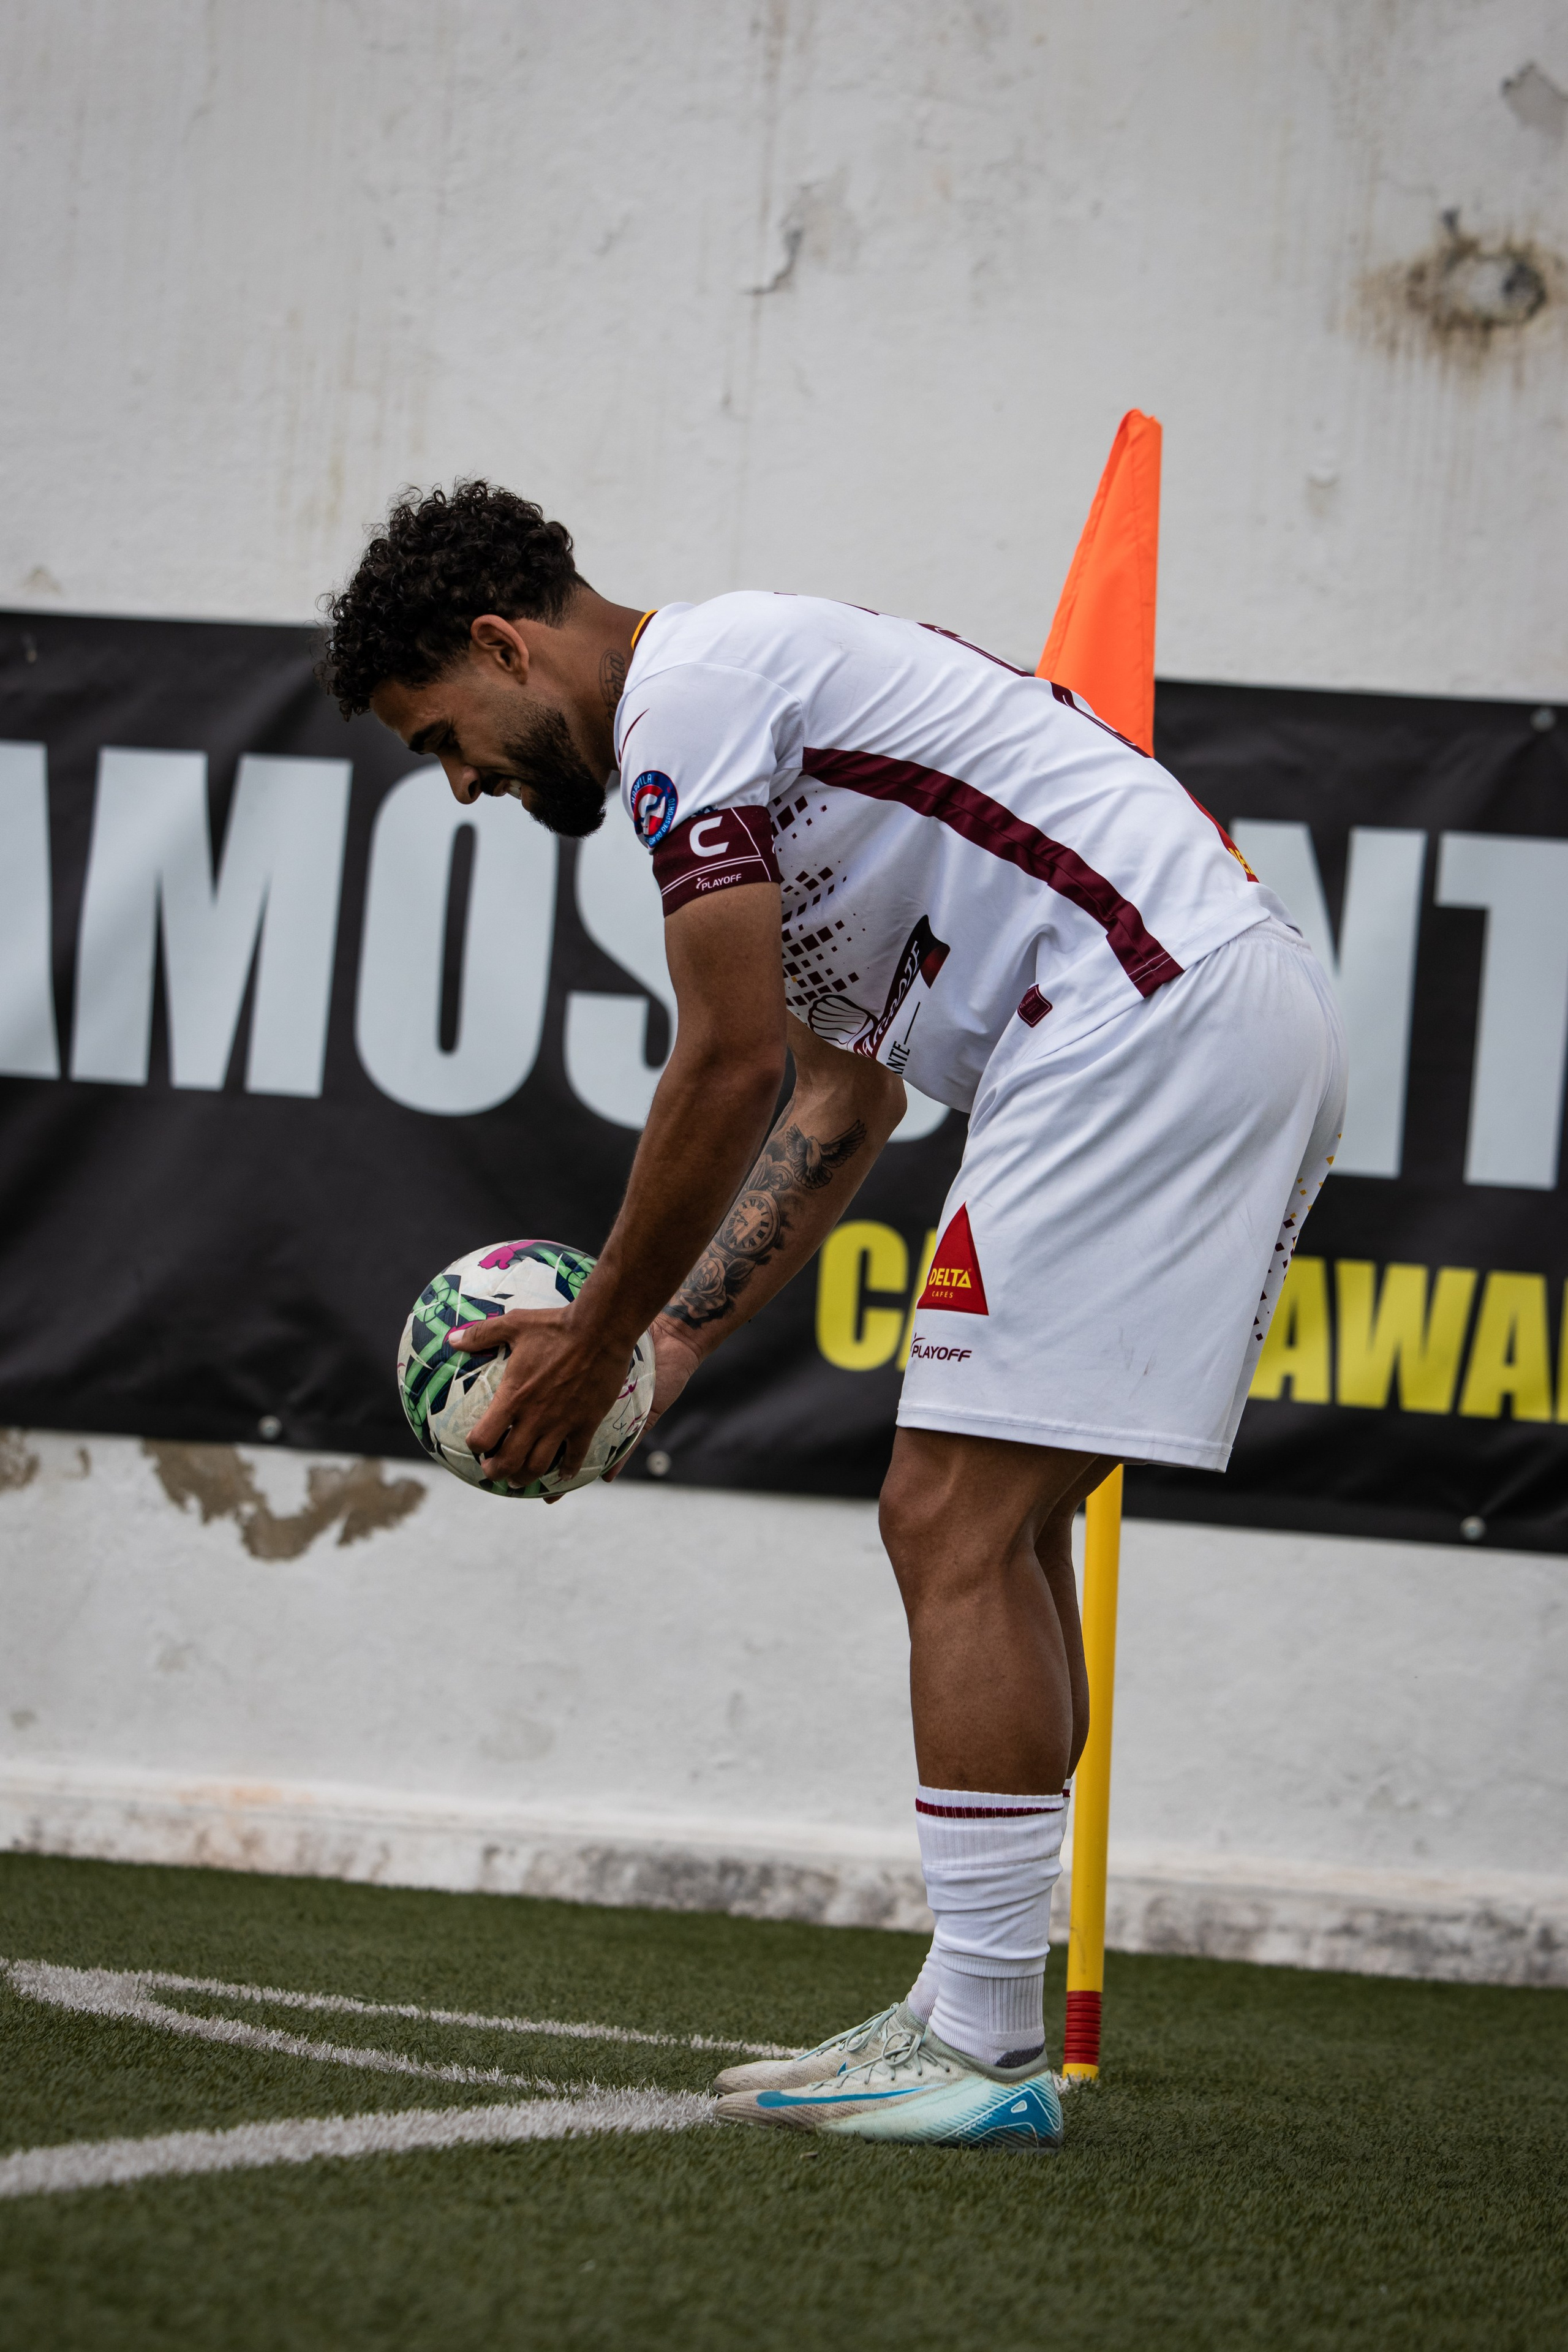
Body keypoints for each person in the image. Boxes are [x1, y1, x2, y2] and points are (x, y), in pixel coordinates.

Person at [322, 481, 1345, 2152]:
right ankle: (971, 2004)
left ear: (508, 644)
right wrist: (674, 1341)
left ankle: (994, 2046)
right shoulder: (743, 718)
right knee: (992, 1531)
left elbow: (718, 1065)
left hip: (1133, 1023)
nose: (461, 784)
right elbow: (837, 1100)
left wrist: (588, 1347)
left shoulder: (690, 694)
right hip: (1179, 1017)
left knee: (943, 1515)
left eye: (447, 732)